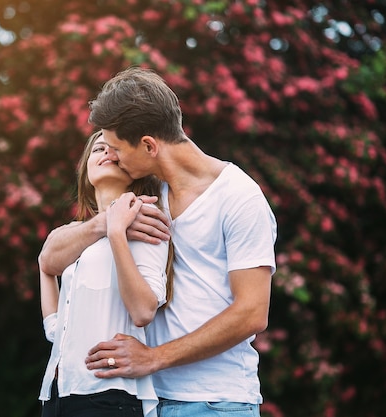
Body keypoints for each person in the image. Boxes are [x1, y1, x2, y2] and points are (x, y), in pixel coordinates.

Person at [38, 67, 277, 417]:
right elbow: (53, 254)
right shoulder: (149, 196)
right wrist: (107, 224)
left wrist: (153, 358)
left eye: (117, 148)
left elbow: (252, 313)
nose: (113, 157)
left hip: (216, 401)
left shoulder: (239, 197)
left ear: (149, 145)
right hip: (148, 401)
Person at [38, 130, 173, 417]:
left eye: (115, 149)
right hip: (57, 395)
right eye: (99, 149)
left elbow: (142, 310)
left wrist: (116, 233)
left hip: (109, 395)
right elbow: (48, 264)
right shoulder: (76, 233)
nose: (106, 154)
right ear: (86, 168)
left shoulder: (146, 222)